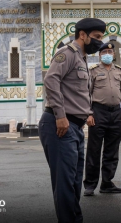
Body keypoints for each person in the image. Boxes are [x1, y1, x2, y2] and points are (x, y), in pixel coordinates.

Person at [38, 18, 106, 223]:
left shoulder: (83, 58)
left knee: (75, 181)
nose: (99, 43)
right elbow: (50, 80)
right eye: (96, 37)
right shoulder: (67, 53)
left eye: (101, 38)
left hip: (75, 127)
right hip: (60, 125)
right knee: (65, 183)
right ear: (82, 35)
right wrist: (60, 116)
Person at [83, 42, 121, 196]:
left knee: (112, 150)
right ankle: (90, 185)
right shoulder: (93, 71)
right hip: (98, 113)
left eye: (110, 51)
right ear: (99, 55)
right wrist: (88, 114)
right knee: (94, 150)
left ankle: (107, 183)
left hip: (117, 113)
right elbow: (86, 93)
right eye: (104, 52)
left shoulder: (119, 71)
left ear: (114, 54)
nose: (107, 54)